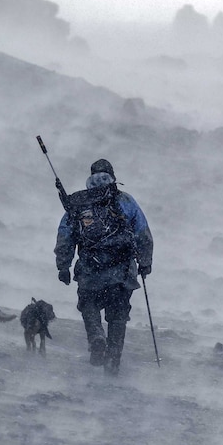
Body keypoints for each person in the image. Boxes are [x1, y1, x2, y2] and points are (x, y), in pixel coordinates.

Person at [54, 159, 153, 375]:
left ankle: (96, 337)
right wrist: (145, 263)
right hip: (122, 274)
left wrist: (63, 266)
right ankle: (113, 361)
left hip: (91, 272)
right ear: (113, 177)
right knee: (118, 317)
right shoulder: (126, 201)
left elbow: (65, 236)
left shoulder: (78, 203)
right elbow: (143, 233)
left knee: (89, 306)